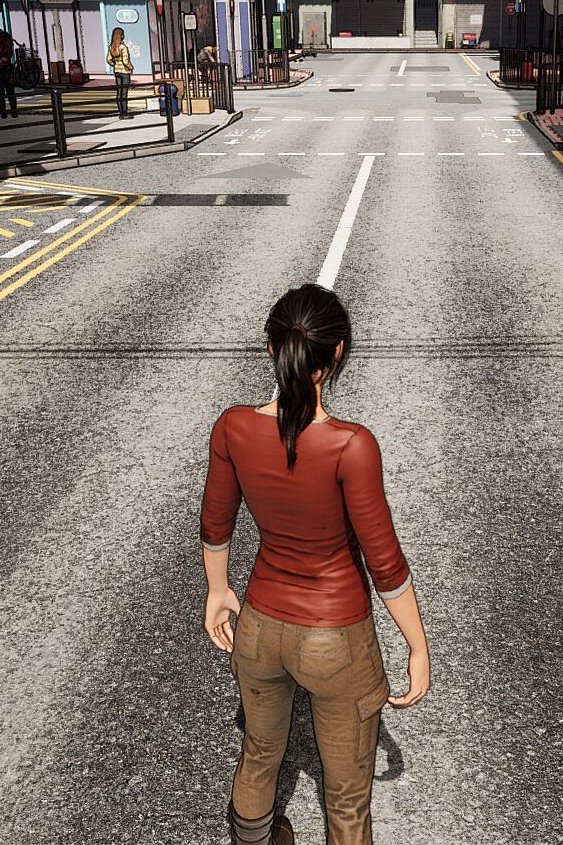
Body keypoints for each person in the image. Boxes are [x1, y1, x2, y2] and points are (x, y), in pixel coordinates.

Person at [200, 284, 430, 845]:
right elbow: (384, 563)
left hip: (259, 629)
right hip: (336, 638)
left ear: (272, 348)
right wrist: (417, 646)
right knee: (346, 797)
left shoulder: (233, 427)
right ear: (338, 352)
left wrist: (218, 591)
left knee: (259, 752)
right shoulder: (351, 445)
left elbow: (215, 522)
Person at [108, 26, 135, 119]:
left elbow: (109, 59)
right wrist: (131, 68)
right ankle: (125, 114)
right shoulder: (123, 47)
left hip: (117, 72)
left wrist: (115, 64)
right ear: (122, 36)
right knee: (124, 93)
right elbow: (126, 61)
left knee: (119, 93)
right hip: (125, 72)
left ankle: (120, 114)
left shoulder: (112, 46)